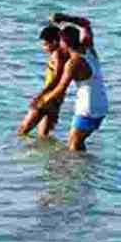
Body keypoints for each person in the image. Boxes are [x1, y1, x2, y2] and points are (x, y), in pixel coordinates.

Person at [37, 21, 108, 151]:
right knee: (77, 143)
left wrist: (42, 100)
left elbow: (61, 88)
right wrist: (65, 18)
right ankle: (88, 169)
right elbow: (86, 25)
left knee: (74, 145)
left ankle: (84, 170)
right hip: (102, 104)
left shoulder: (72, 64)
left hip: (88, 107)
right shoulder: (89, 50)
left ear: (65, 43)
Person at [17, 25, 68, 137]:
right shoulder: (64, 54)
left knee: (22, 131)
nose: (43, 47)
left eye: (45, 44)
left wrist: (40, 95)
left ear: (54, 42)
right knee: (43, 136)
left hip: (48, 98)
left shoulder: (57, 54)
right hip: (57, 99)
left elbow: (56, 78)